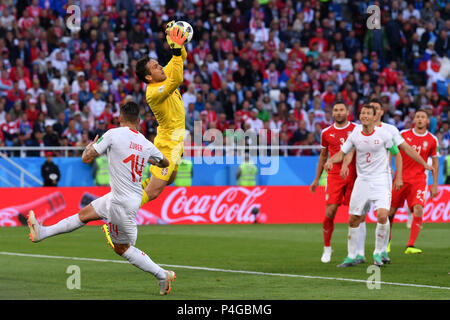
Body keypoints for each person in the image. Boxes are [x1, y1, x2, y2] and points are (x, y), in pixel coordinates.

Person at [27, 101, 176, 296]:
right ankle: (42, 232)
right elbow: (165, 162)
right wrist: (150, 159)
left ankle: (161, 274)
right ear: (138, 121)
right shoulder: (146, 144)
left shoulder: (113, 134)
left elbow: (86, 158)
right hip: (123, 198)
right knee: (84, 214)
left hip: (120, 203)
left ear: (120, 118)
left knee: (122, 248)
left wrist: (89, 147)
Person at [325, 104, 403, 267]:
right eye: (362, 113)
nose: (364, 115)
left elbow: (397, 154)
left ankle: (378, 252)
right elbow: (342, 153)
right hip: (362, 181)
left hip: (381, 179)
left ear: (375, 116)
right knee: (353, 219)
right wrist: (331, 160)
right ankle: (352, 256)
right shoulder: (355, 134)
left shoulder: (384, 134)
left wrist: (398, 177)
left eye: (368, 113)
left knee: (382, 215)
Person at [135, 22, 188, 207]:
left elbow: (180, 57)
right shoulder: (153, 92)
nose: (160, 68)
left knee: (170, 178)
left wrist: (173, 39)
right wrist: (174, 50)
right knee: (154, 191)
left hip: (177, 140)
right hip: (167, 143)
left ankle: (127, 196)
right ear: (148, 77)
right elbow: (178, 78)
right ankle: (115, 221)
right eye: (156, 67)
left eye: (158, 64)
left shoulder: (162, 75)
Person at [310, 101, 361, 264]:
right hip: (334, 176)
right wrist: (317, 178)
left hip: (355, 175)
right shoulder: (326, 132)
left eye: (341, 110)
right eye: (336, 110)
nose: (339, 112)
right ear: (332, 113)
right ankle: (327, 247)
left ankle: (356, 252)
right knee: (330, 212)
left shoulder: (357, 129)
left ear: (348, 112)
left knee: (357, 214)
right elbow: (323, 156)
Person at [389, 110, 439, 255]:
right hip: (400, 178)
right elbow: (391, 150)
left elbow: (435, 163)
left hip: (418, 180)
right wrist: (388, 166)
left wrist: (434, 185)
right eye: (417, 117)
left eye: (423, 117)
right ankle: (387, 241)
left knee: (418, 209)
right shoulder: (403, 134)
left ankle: (410, 245)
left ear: (427, 121)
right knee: (390, 213)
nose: (420, 119)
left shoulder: (432, 139)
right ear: (413, 119)